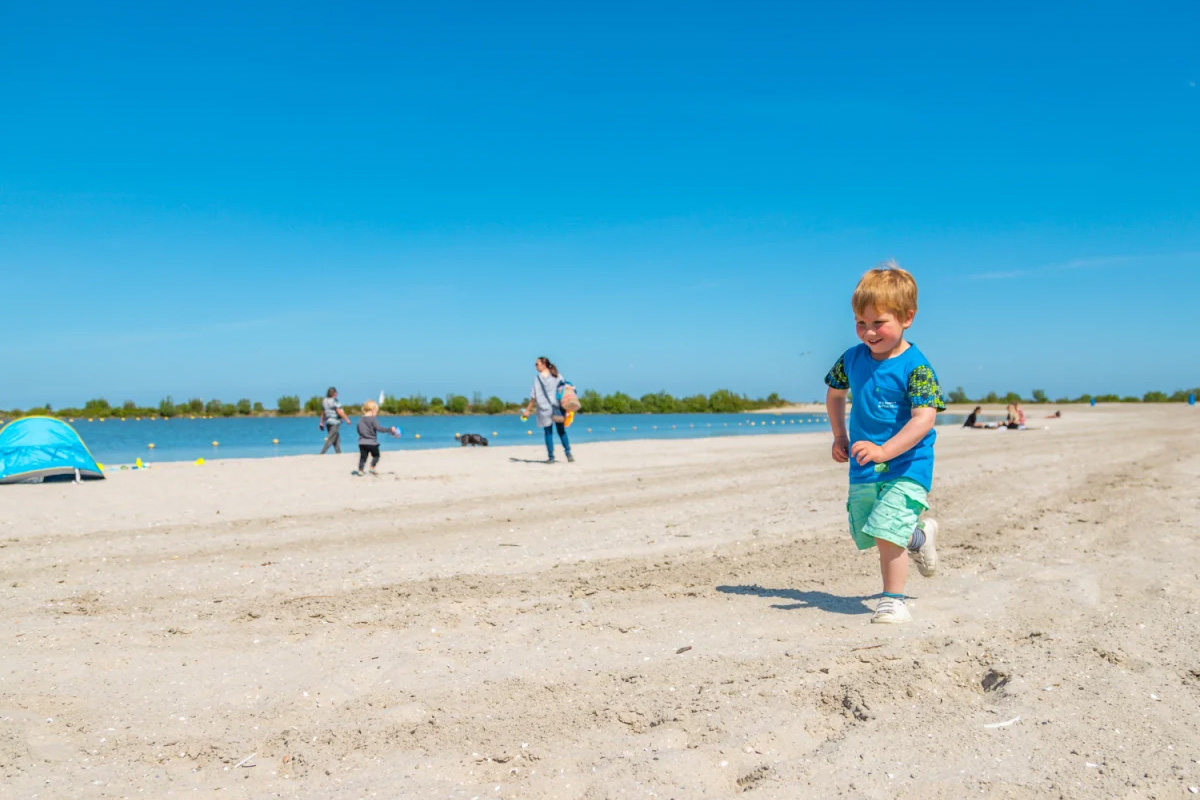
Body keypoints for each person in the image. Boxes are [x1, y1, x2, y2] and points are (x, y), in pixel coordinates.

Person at [824, 262, 944, 624]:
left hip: (908, 464)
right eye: (862, 323)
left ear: (907, 317)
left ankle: (894, 600)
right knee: (872, 529)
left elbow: (924, 418)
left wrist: (885, 451)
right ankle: (919, 538)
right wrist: (840, 436)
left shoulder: (916, 366)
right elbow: (834, 395)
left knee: (887, 529)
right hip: (864, 466)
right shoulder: (851, 358)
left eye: (879, 323)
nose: (869, 332)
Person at [521, 356, 574, 463]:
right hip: (557, 407)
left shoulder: (537, 379)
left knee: (548, 433)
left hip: (544, 409)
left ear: (544, 364)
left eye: (537, 364)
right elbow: (565, 390)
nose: (535, 366)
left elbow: (534, 397)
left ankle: (551, 457)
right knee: (561, 431)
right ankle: (568, 453)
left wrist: (528, 410)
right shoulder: (557, 375)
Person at [353, 400, 400, 476]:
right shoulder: (373, 419)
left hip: (362, 442)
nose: (376, 414)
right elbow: (379, 429)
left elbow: (358, 429)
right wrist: (390, 429)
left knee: (363, 457)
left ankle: (360, 470)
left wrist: (362, 436)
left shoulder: (361, 419)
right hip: (372, 443)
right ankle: (372, 468)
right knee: (376, 456)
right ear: (373, 410)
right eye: (376, 412)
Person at [319, 387, 352, 454]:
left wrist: (321, 423)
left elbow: (323, 412)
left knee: (336, 439)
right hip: (335, 422)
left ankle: (338, 453)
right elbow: (339, 411)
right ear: (334, 393)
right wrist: (347, 419)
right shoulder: (335, 401)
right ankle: (322, 453)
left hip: (328, 422)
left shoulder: (324, 401)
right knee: (331, 438)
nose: (337, 394)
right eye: (336, 393)